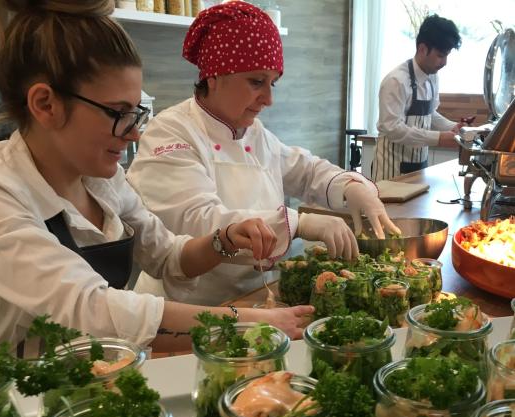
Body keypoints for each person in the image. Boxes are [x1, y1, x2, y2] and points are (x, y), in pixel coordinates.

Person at [0, 0, 314, 356]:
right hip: (15, 403)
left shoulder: (101, 180)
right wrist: (248, 323)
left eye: (136, 113)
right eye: (118, 113)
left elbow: (167, 256)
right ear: (45, 104)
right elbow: (90, 309)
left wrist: (223, 240)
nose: (134, 134)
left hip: (102, 378)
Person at [127, 0, 400, 307]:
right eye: (257, 81)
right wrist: (301, 223)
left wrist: (352, 188)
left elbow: (304, 169)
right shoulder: (170, 132)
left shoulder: (253, 133)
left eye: (273, 83)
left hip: (251, 298)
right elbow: (198, 222)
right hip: (188, 307)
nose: (268, 98)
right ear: (214, 76)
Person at [371, 14, 463, 181]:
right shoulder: (396, 81)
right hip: (391, 170)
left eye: (447, 55)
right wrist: (439, 138)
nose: (445, 63)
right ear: (422, 49)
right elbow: (392, 129)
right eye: (441, 55)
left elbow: (430, 114)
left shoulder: (432, 77)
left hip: (419, 167)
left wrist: (453, 127)